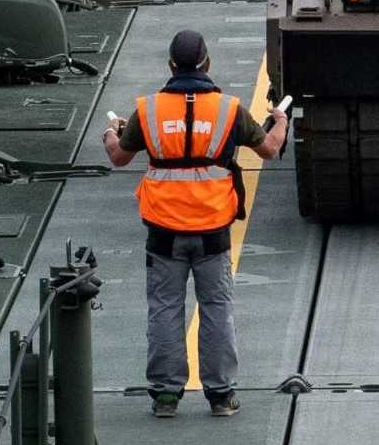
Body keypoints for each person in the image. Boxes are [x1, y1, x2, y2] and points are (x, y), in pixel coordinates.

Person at [104, 29, 291, 416]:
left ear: (171, 65)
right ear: (207, 63)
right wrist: (280, 121)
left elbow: (119, 157)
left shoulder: (149, 110)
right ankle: (221, 396)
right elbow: (270, 150)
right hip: (212, 232)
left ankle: (167, 396)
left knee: (165, 310)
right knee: (217, 309)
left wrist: (111, 133)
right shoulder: (228, 109)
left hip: (163, 233)